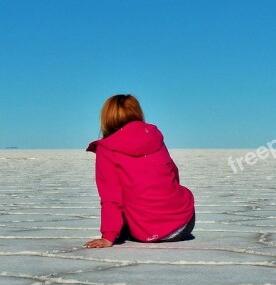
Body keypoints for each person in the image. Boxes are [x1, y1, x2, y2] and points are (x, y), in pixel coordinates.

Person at [84, 94, 195, 248]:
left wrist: (108, 236)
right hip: (184, 223)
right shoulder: (153, 136)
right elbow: (172, 173)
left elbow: (111, 197)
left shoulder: (107, 148)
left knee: (128, 210)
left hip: (146, 231)